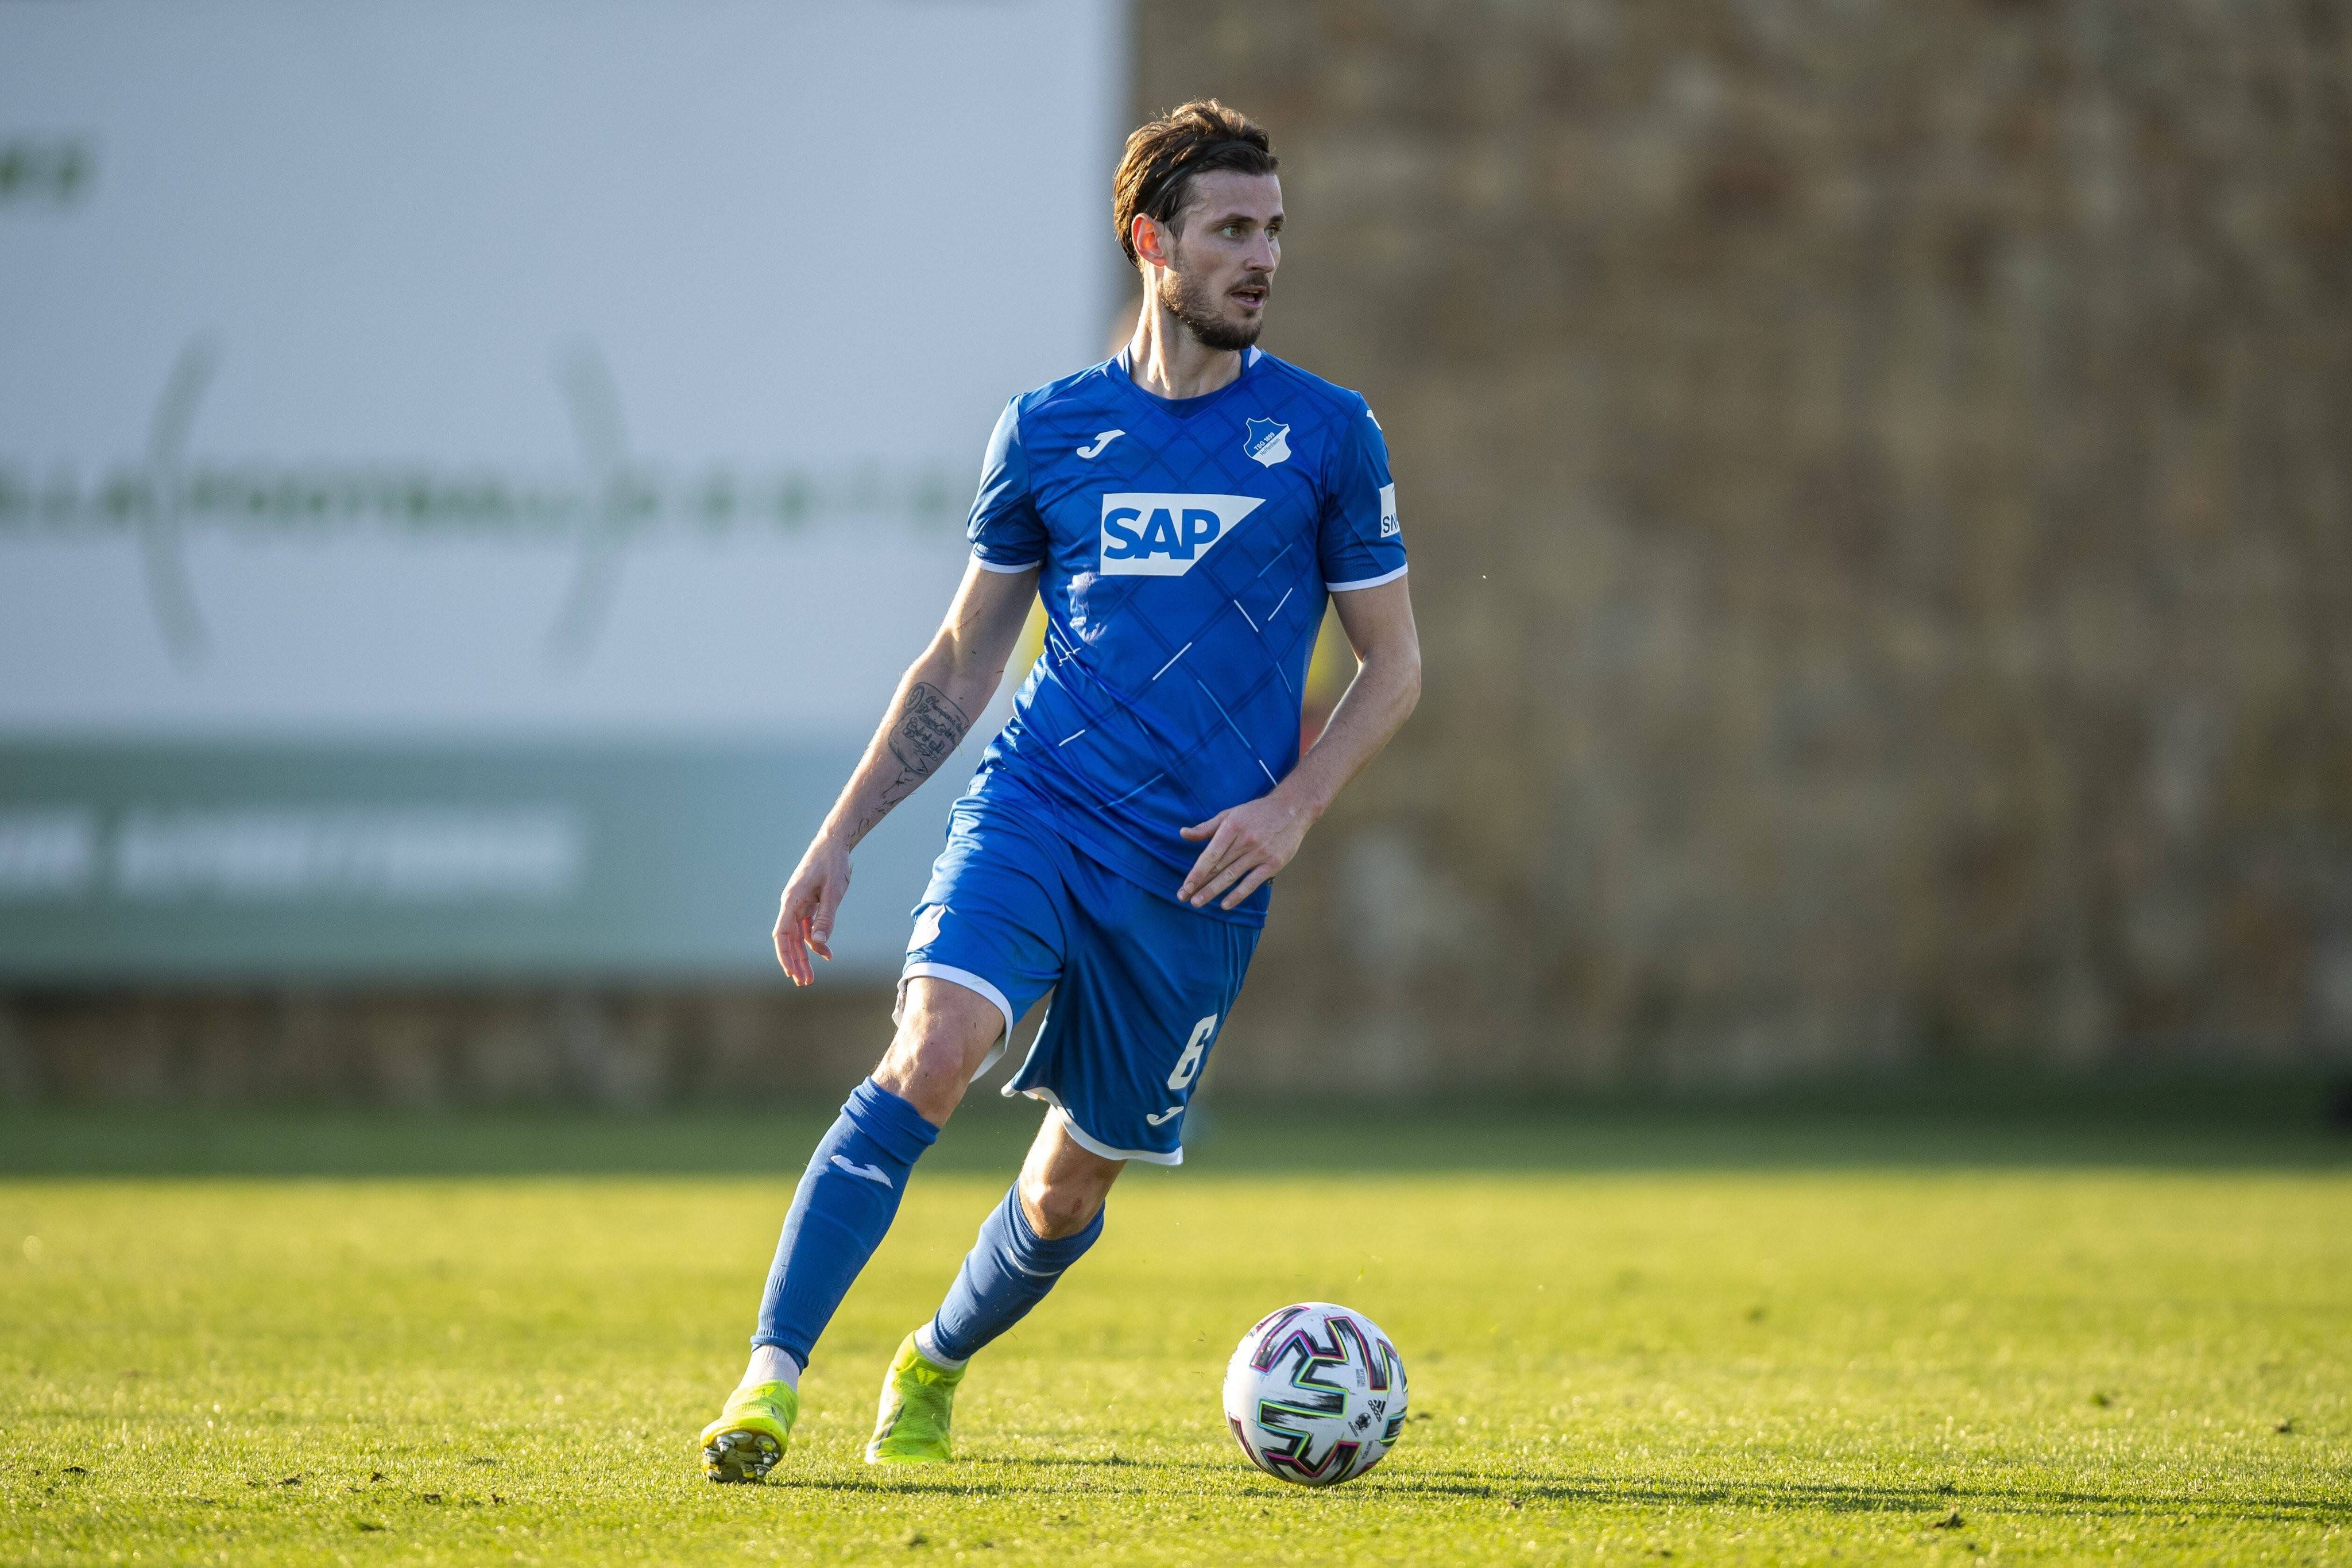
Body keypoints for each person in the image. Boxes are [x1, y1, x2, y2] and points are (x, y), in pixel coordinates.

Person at [699, 98, 1421, 1481]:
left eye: (1273, 230)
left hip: (1201, 867)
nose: (1261, 257)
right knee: (929, 1051)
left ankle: (931, 1362)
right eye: (1230, 230)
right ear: (1152, 242)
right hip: (1038, 808)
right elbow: (959, 660)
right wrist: (840, 835)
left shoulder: (1328, 434)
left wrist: (1291, 808)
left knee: (1068, 1183)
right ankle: (767, 1384)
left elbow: (1392, 667)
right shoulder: (1047, 431)